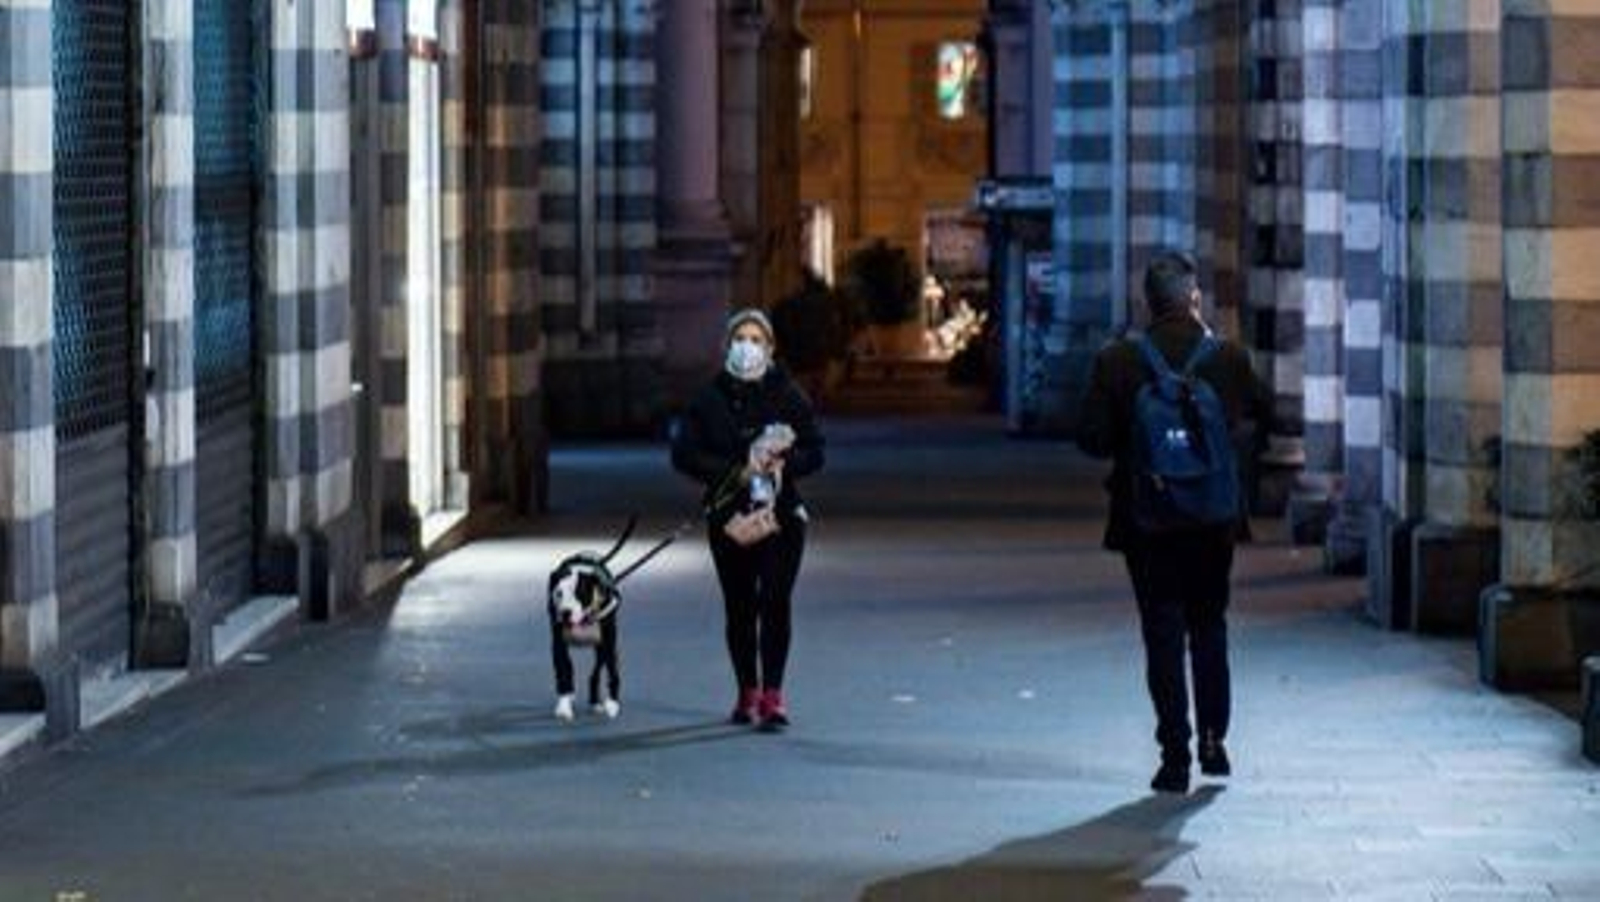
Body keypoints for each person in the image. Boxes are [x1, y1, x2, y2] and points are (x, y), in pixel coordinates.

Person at [1077, 251, 1272, 794]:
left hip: (1148, 517)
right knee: (1209, 623)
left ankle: (1174, 756)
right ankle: (1213, 739)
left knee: (1162, 631)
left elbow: (1091, 438)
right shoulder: (1228, 358)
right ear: (1194, 298)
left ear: (1147, 303)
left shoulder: (1118, 360)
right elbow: (1270, 414)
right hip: (1212, 517)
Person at [671, 309, 825, 731]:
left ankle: (773, 695)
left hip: (781, 517)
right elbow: (684, 454)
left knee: (775, 600)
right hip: (730, 518)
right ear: (727, 346)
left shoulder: (788, 395)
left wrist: (786, 463)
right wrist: (732, 472)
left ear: (770, 349)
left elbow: (816, 450)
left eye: (757, 340)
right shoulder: (709, 398)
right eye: (740, 338)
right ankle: (747, 690)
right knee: (739, 606)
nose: (747, 347)